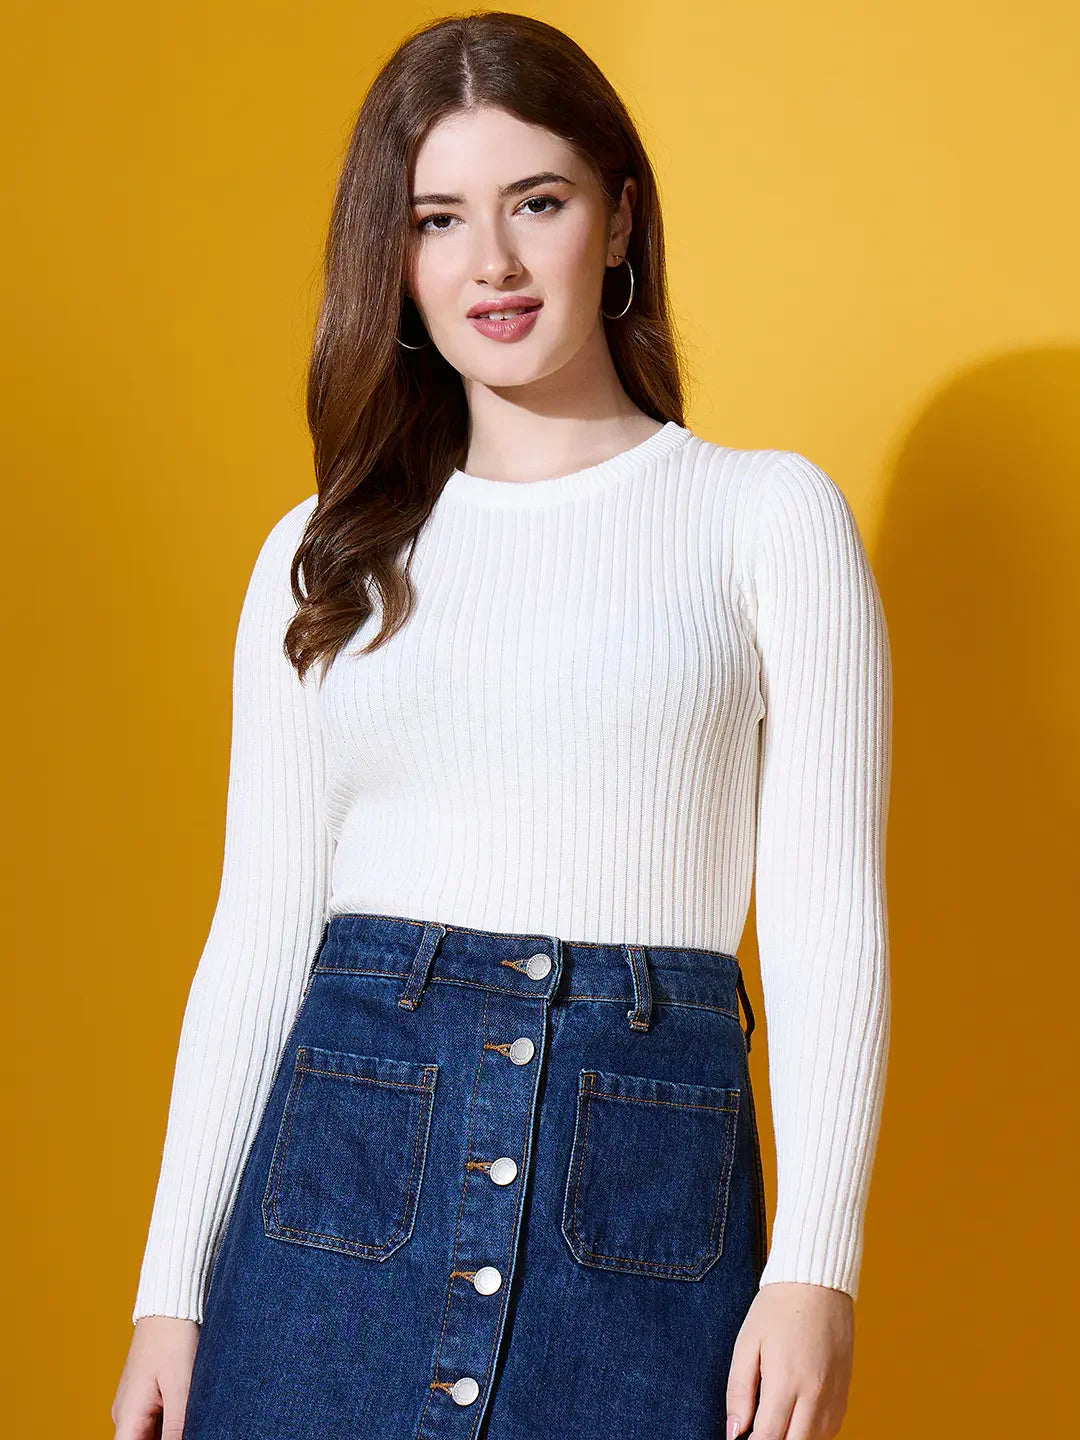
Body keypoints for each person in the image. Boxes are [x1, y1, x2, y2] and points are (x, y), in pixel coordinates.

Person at [111, 12, 892, 1440]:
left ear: (618, 221)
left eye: (538, 202)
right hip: (329, 1213)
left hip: (643, 1204)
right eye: (438, 218)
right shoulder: (322, 555)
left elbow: (828, 906)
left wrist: (815, 1267)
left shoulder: (766, 517)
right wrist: (172, 1288)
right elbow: (257, 933)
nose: (493, 263)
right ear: (393, 260)